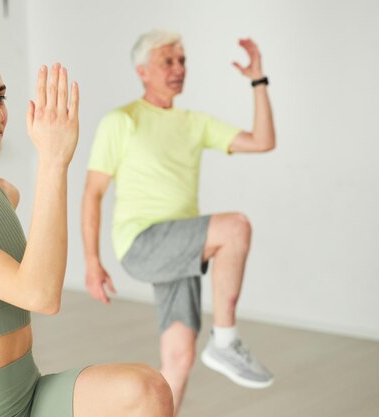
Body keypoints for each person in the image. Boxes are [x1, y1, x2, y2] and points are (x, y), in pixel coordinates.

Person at [0, 41, 173, 417]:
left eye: (0, 97)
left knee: (146, 390)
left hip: (29, 393)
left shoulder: (3, 194)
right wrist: (54, 160)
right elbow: (41, 295)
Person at [82, 29, 276, 415]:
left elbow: (263, 141)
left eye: (182, 60)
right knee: (235, 227)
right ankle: (225, 341)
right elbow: (93, 192)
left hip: (182, 245)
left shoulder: (194, 122)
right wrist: (91, 262)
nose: (178, 69)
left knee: (179, 359)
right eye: (167, 61)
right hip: (143, 241)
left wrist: (258, 79)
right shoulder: (122, 121)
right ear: (142, 71)